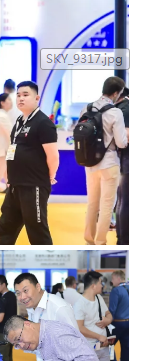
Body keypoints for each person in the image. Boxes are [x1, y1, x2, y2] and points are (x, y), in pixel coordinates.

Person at [0, 81, 59, 245]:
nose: (21, 98)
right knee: (6, 226)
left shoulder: (43, 123)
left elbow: (53, 156)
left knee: (36, 229)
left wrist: (49, 176)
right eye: (18, 95)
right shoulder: (19, 121)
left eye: (25, 95)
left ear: (36, 98)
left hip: (34, 185)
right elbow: (14, 150)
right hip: (15, 184)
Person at [82, 76, 128, 245]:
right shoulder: (115, 112)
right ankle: (101, 241)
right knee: (107, 205)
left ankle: (89, 240)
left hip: (90, 162)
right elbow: (121, 142)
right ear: (116, 93)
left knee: (92, 203)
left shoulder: (87, 108)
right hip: (109, 162)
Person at [73, 270, 114, 361]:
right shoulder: (80, 304)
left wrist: (107, 320)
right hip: (89, 349)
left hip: (103, 347)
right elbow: (79, 328)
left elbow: (109, 314)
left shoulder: (98, 298)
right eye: (101, 283)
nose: (102, 286)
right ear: (93, 285)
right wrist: (98, 336)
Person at [14, 272, 78, 361]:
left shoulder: (59, 308)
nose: (22, 297)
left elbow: (76, 343)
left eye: (26, 290)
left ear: (38, 287)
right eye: (18, 293)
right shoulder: (31, 307)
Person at [108, 270, 128, 361]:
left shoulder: (116, 290)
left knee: (108, 344)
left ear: (118, 278)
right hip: (129, 323)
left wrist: (107, 320)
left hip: (117, 323)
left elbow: (112, 309)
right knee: (126, 347)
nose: (112, 281)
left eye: (113, 278)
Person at [115, 87, 129, 245]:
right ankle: (124, 239)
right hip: (127, 160)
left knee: (122, 200)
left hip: (120, 159)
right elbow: (126, 135)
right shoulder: (126, 109)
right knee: (126, 201)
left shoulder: (116, 109)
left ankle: (121, 237)